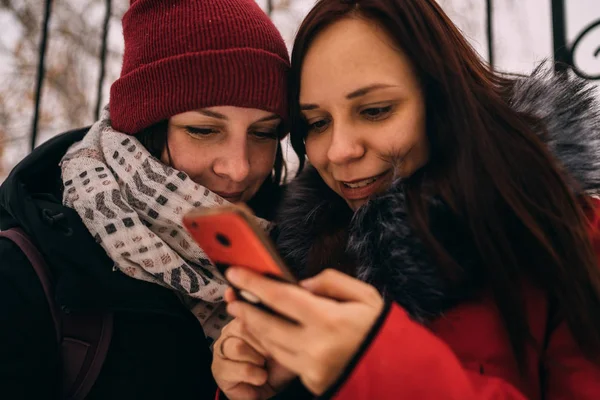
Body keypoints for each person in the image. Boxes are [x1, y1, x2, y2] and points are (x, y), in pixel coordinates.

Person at [211, 0, 600, 398]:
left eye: (376, 110)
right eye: (317, 123)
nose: (338, 150)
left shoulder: (572, 234)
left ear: (443, 102)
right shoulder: (304, 252)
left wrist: (376, 368)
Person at [0, 0, 291, 398]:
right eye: (204, 130)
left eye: (263, 133)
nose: (238, 168)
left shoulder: (300, 255)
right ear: (145, 128)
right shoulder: (21, 275)